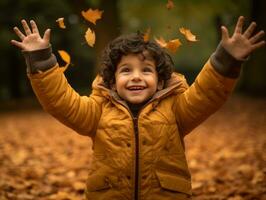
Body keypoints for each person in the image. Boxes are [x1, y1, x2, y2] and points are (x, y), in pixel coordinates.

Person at [11, 16, 264, 200]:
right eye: (126, 70)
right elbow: (61, 102)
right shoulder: (97, 110)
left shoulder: (177, 109)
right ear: (112, 80)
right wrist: (41, 59)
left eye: (146, 70)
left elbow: (207, 94)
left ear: (160, 80)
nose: (136, 77)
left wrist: (227, 58)